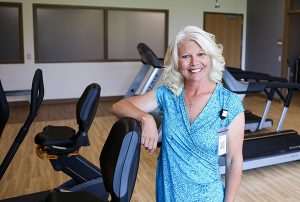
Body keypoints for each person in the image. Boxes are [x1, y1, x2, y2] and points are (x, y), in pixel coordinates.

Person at [111, 26, 245, 202]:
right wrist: (146, 118)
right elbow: (118, 106)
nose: (194, 63)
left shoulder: (229, 103)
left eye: (201, 54)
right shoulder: (168, 95)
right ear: (177, 62)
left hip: (208, 196)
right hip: (168, 194)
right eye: (186, 56)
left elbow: (234, 160)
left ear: (211, 58)